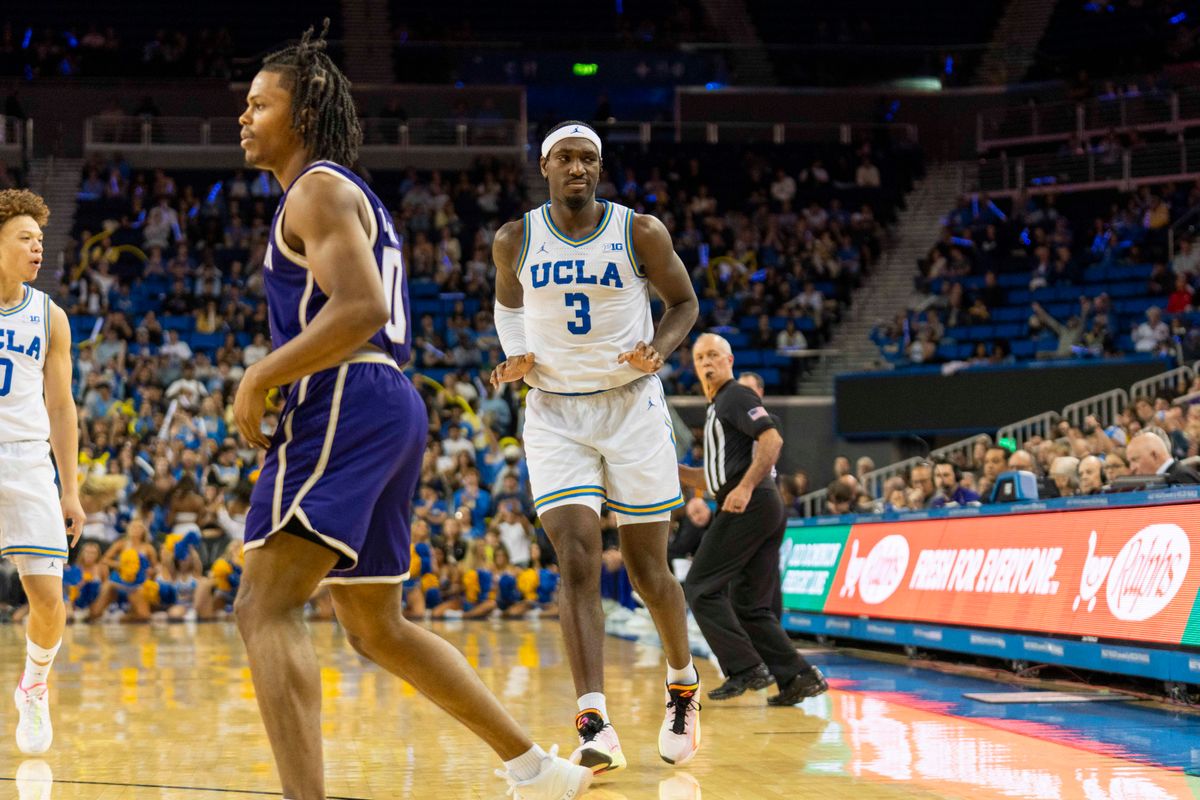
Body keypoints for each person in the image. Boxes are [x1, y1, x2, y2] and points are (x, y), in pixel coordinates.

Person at [231, 24, 589, 800]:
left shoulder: (317, 188)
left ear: (304, 113)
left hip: (345, 395)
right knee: (374, 625)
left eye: (260, 104)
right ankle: (536, 768)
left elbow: (357, 307)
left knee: (263, 605)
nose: (245, 117)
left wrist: (260, 375)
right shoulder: (340, 192)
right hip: (387, 399)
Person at [491, 119, 702, 772]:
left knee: (647, 573)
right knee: (577, 560)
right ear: (545, 166)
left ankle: (683, 681)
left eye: (588, 159)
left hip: (630, 407)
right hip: (554, 413)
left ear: (599, 169)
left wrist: (659, 351)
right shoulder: (514, 238)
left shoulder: (639, 230)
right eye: (565, 158)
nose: (577, 168)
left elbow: (685, 304)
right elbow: (508, 308)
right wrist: (515, 355)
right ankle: (594, 721)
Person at [677, 334, 828, 707]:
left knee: (699, 585)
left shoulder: (735, 395)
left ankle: (745, 667)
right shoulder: (718, 407)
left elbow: (772, 440)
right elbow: (712, 478)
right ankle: (798, 677)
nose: (707, 362)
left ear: (729, 360)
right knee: (750, 604)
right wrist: (676, 470)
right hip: (757, 503)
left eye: (714, 355)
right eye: (700, 357)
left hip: (752, 503)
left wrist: (744, 488)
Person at [0, 188, 85, 753]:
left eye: (39, 239)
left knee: (49, 598)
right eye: (25, 238)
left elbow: (61, 406)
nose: (37, 248)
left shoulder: (49, 315)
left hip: (28, 459)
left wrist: (71, 490)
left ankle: (33, 686)